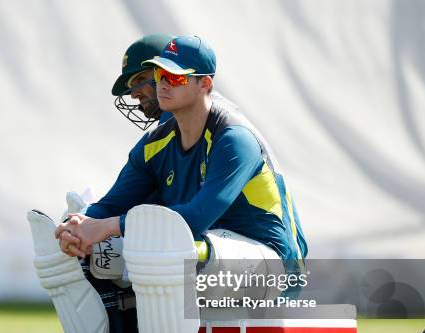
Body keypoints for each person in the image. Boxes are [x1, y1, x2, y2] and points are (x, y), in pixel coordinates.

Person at [56, 35, 307, 268]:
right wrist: (76, 225)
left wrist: (106, 227)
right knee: (96, 256)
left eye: (175, 77)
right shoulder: (154, 144)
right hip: (218, 251)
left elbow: (196, 218)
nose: (162, 84)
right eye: (160, 75)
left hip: (277, 262)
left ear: (204, 84)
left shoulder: (234, 138)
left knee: (169, 247)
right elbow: (111, 205)